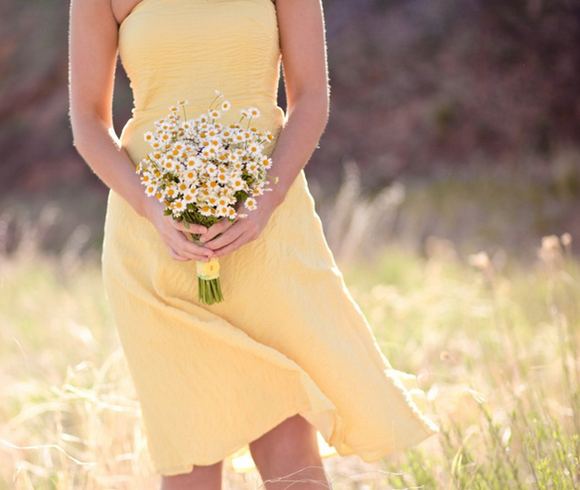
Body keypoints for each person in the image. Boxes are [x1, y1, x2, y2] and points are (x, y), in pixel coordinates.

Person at [68, 0, 440, 488]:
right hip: (155, 244)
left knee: (288, 449)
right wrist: (150, 206)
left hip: (268, 233)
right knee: (191, 456)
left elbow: (310, 98)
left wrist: (265, 202)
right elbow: (88, 124)